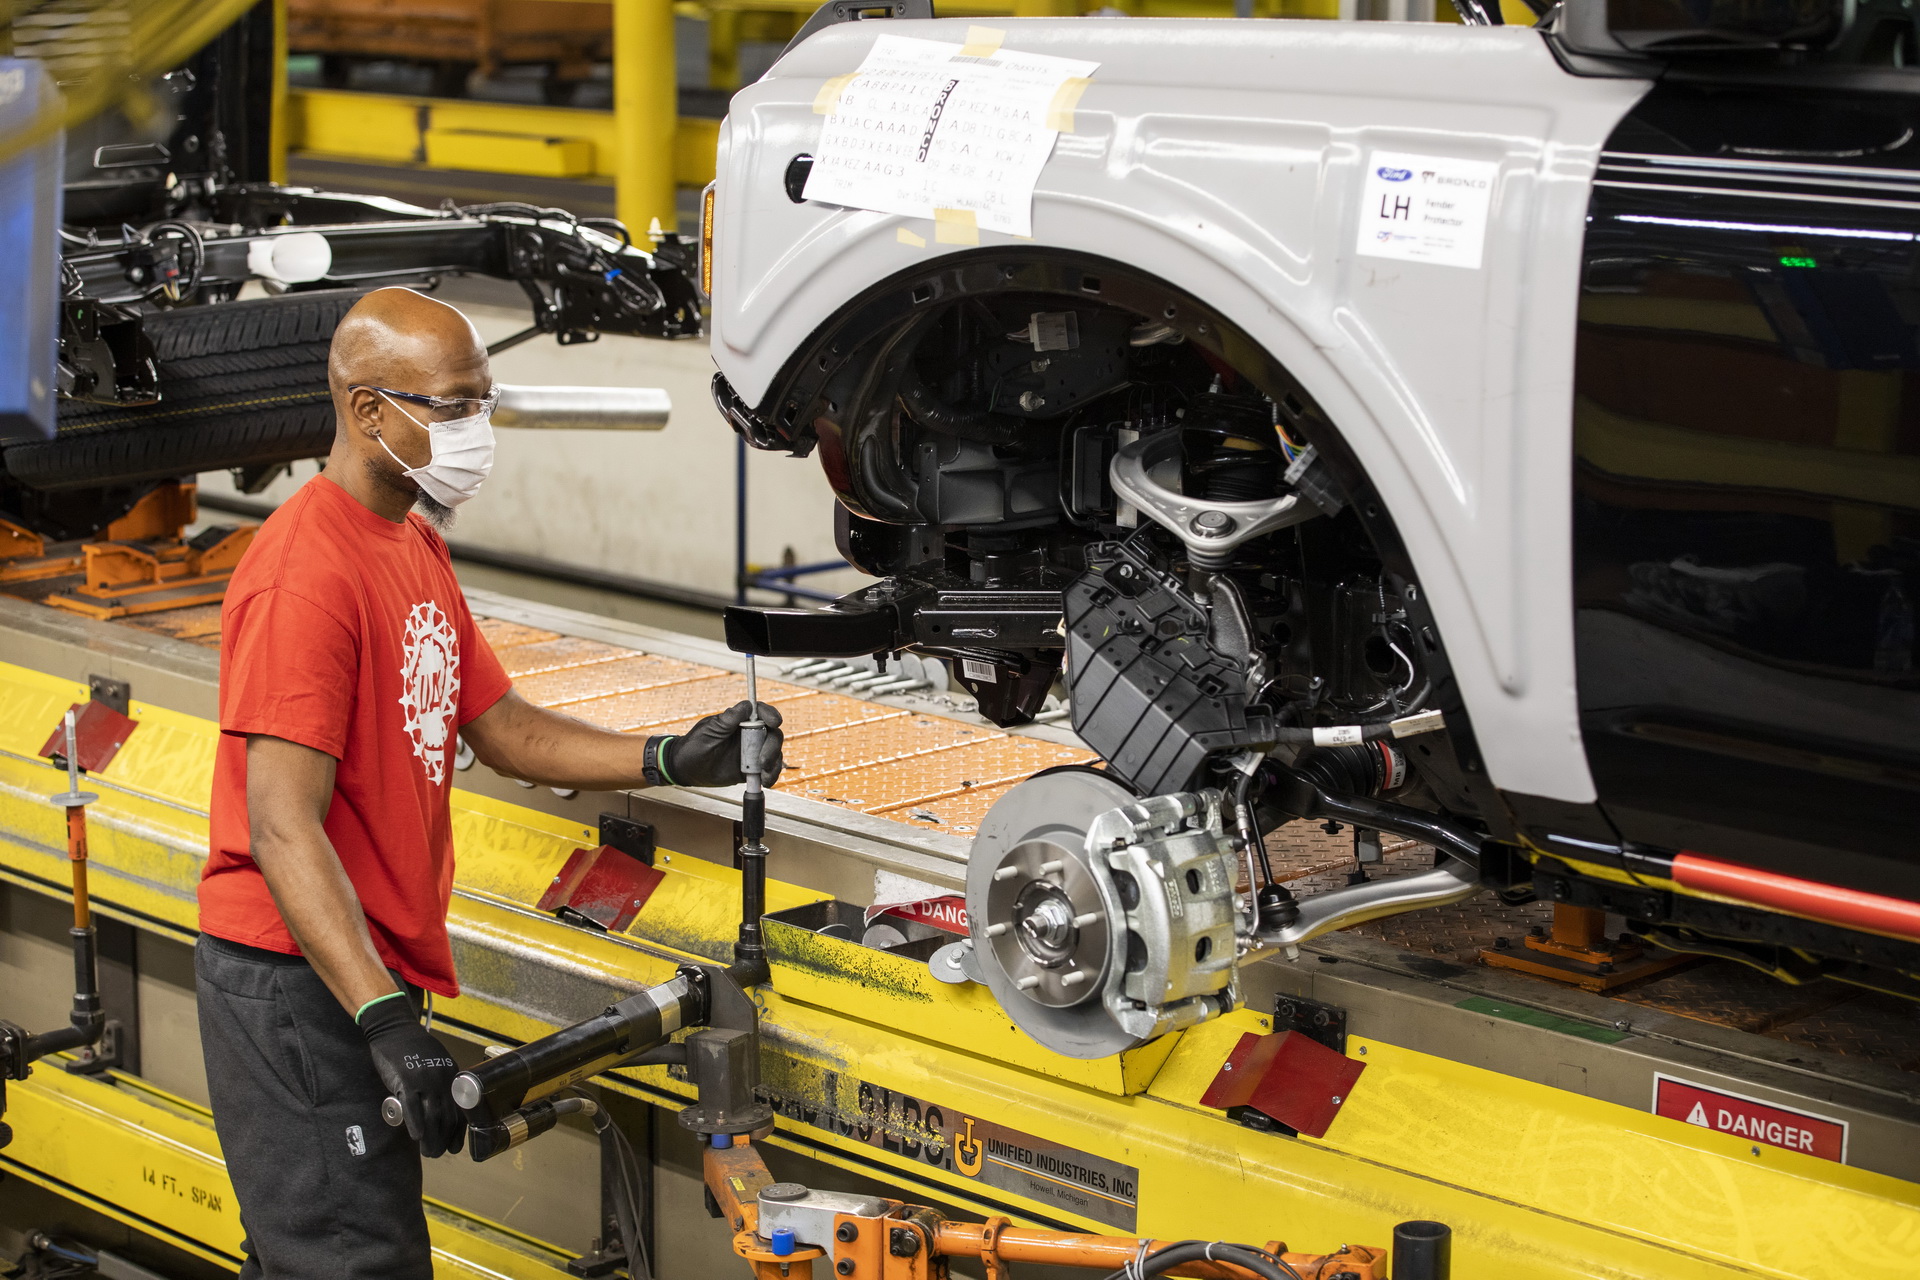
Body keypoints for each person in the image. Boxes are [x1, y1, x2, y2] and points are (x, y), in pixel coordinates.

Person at [193, 287, 783, 1279]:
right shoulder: (305, 569)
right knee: (351, 1262)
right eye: (452, 405)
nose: (475, 428)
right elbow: (282, 824)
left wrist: (669, 757)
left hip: (357, 967)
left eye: (481, 402)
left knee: (332, 1256)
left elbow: (502, 728)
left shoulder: (409, 539)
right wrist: (382, 1019)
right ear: (369, 410)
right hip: (298, 979)